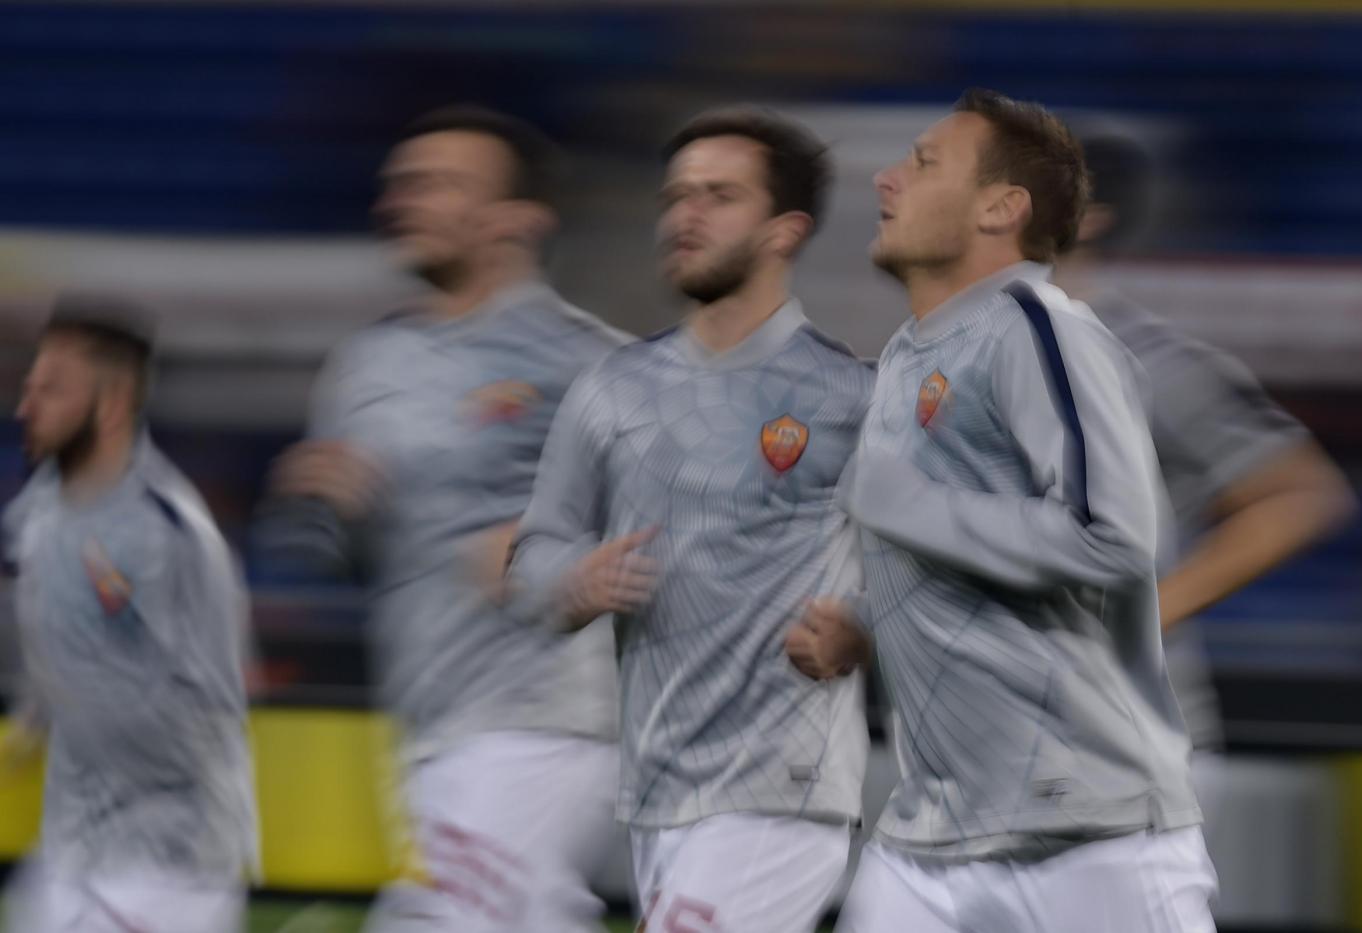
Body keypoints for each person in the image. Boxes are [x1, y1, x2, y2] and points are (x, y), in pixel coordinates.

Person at [835, 89, 1215, 931]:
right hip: (930, 834)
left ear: (1001, 208)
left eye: (924, 163)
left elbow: (1110, 538)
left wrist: (910, 506)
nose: (887, 179)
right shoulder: (907, 357)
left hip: (1085, 832)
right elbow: (964, 553)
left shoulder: (1039, 328)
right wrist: (862, 619)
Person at [259, 106, 629, 932]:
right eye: (400, 184)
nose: (403, 200)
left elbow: (697, 510)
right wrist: (329, 508)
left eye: (437, 184)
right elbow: (336, 551)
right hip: (431, 718)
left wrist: (557, 550)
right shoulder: (368, 365)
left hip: (548, 718)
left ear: (517, 220)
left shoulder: (589, 360)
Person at [509, 107, 872, 933]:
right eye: (676, 197)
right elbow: (533, 559)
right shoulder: (611, 389)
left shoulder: (856, 397)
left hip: (783, 787)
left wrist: (863, 623)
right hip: (658, 791)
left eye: (719, 196)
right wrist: (570, 580)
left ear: (784, 231)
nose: (685, 215)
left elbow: (935, 567)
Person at [1058, 134, 1355, 764]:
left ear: (1088, 218)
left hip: (1114, 750)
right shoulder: (955, 349)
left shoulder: (1142, 356)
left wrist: (1139, 621)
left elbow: (1303, 495)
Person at [2, 296, 256, 933]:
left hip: (167, 870)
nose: (25, 408)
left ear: (111, 403)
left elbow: (215, 706)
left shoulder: (168, 536)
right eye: (30, 387)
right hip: (72, 852)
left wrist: (79, 701)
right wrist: (34, 711)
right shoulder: (36, 516)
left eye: (52, 390)